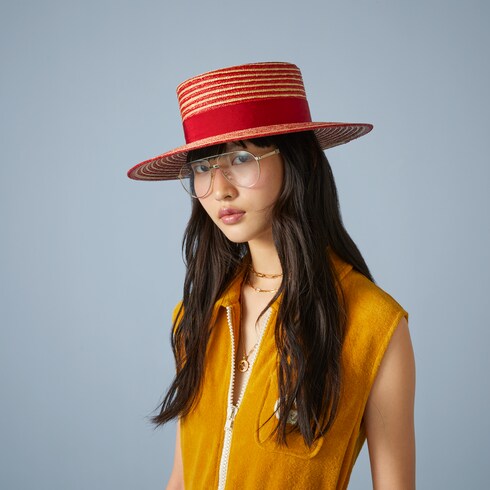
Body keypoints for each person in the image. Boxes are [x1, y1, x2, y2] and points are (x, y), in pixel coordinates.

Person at [128, 62, 415, 490]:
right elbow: (182, 478)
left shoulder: (374, 324)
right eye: (203, 166)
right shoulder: (196, 315)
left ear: (299, 162)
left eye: (242, 158)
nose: (220, 188)